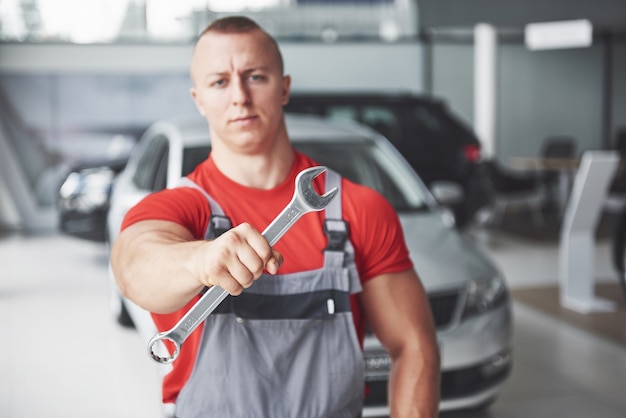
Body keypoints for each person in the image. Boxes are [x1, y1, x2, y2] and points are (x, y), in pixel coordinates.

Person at [111, 15, 440, 418]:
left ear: (284, 88)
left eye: (255, 77)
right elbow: (134, 267)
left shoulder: (358, 209)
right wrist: (200, 260)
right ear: (199, 100)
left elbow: (415, 345)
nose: (240, 97)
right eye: (220, 82)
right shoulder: (180, 207)